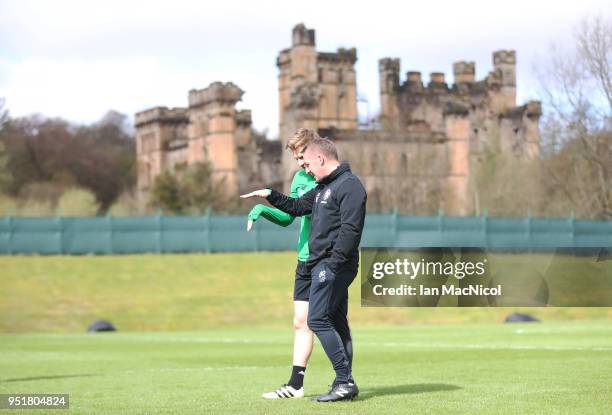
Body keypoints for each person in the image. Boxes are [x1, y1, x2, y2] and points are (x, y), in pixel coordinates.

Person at [241, 137, 367, 402]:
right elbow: (297, 207)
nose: (306, 170)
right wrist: (270, 195)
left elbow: (351, 230)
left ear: (320, 159)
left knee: (317, 319)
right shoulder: (323, 187)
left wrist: (332, 265)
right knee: (331, 320)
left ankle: (345, 382)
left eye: (308, 163)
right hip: (320, 263)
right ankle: (343, 382)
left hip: (334, 265)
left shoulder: (349, 185)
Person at [247, 128, 319, 399]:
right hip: (304, 258)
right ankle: (295, 385)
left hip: (327, 258)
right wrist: (263, 209)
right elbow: (291, 215)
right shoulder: (300, 177)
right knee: (301, 321)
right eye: (297, 158)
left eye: (303, 156)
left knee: (330, 322)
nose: (300, 163)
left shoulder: (328, 176)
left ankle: (344, 379)